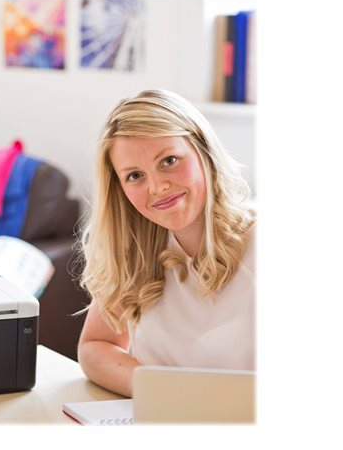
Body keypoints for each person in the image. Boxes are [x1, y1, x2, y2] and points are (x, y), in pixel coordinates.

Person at [76, 89, 255, 397]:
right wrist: (166, 392)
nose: (158, 187)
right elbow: (94, 346)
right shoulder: (135, 251)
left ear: (203, 150)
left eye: (169, 160)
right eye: (135, 176)